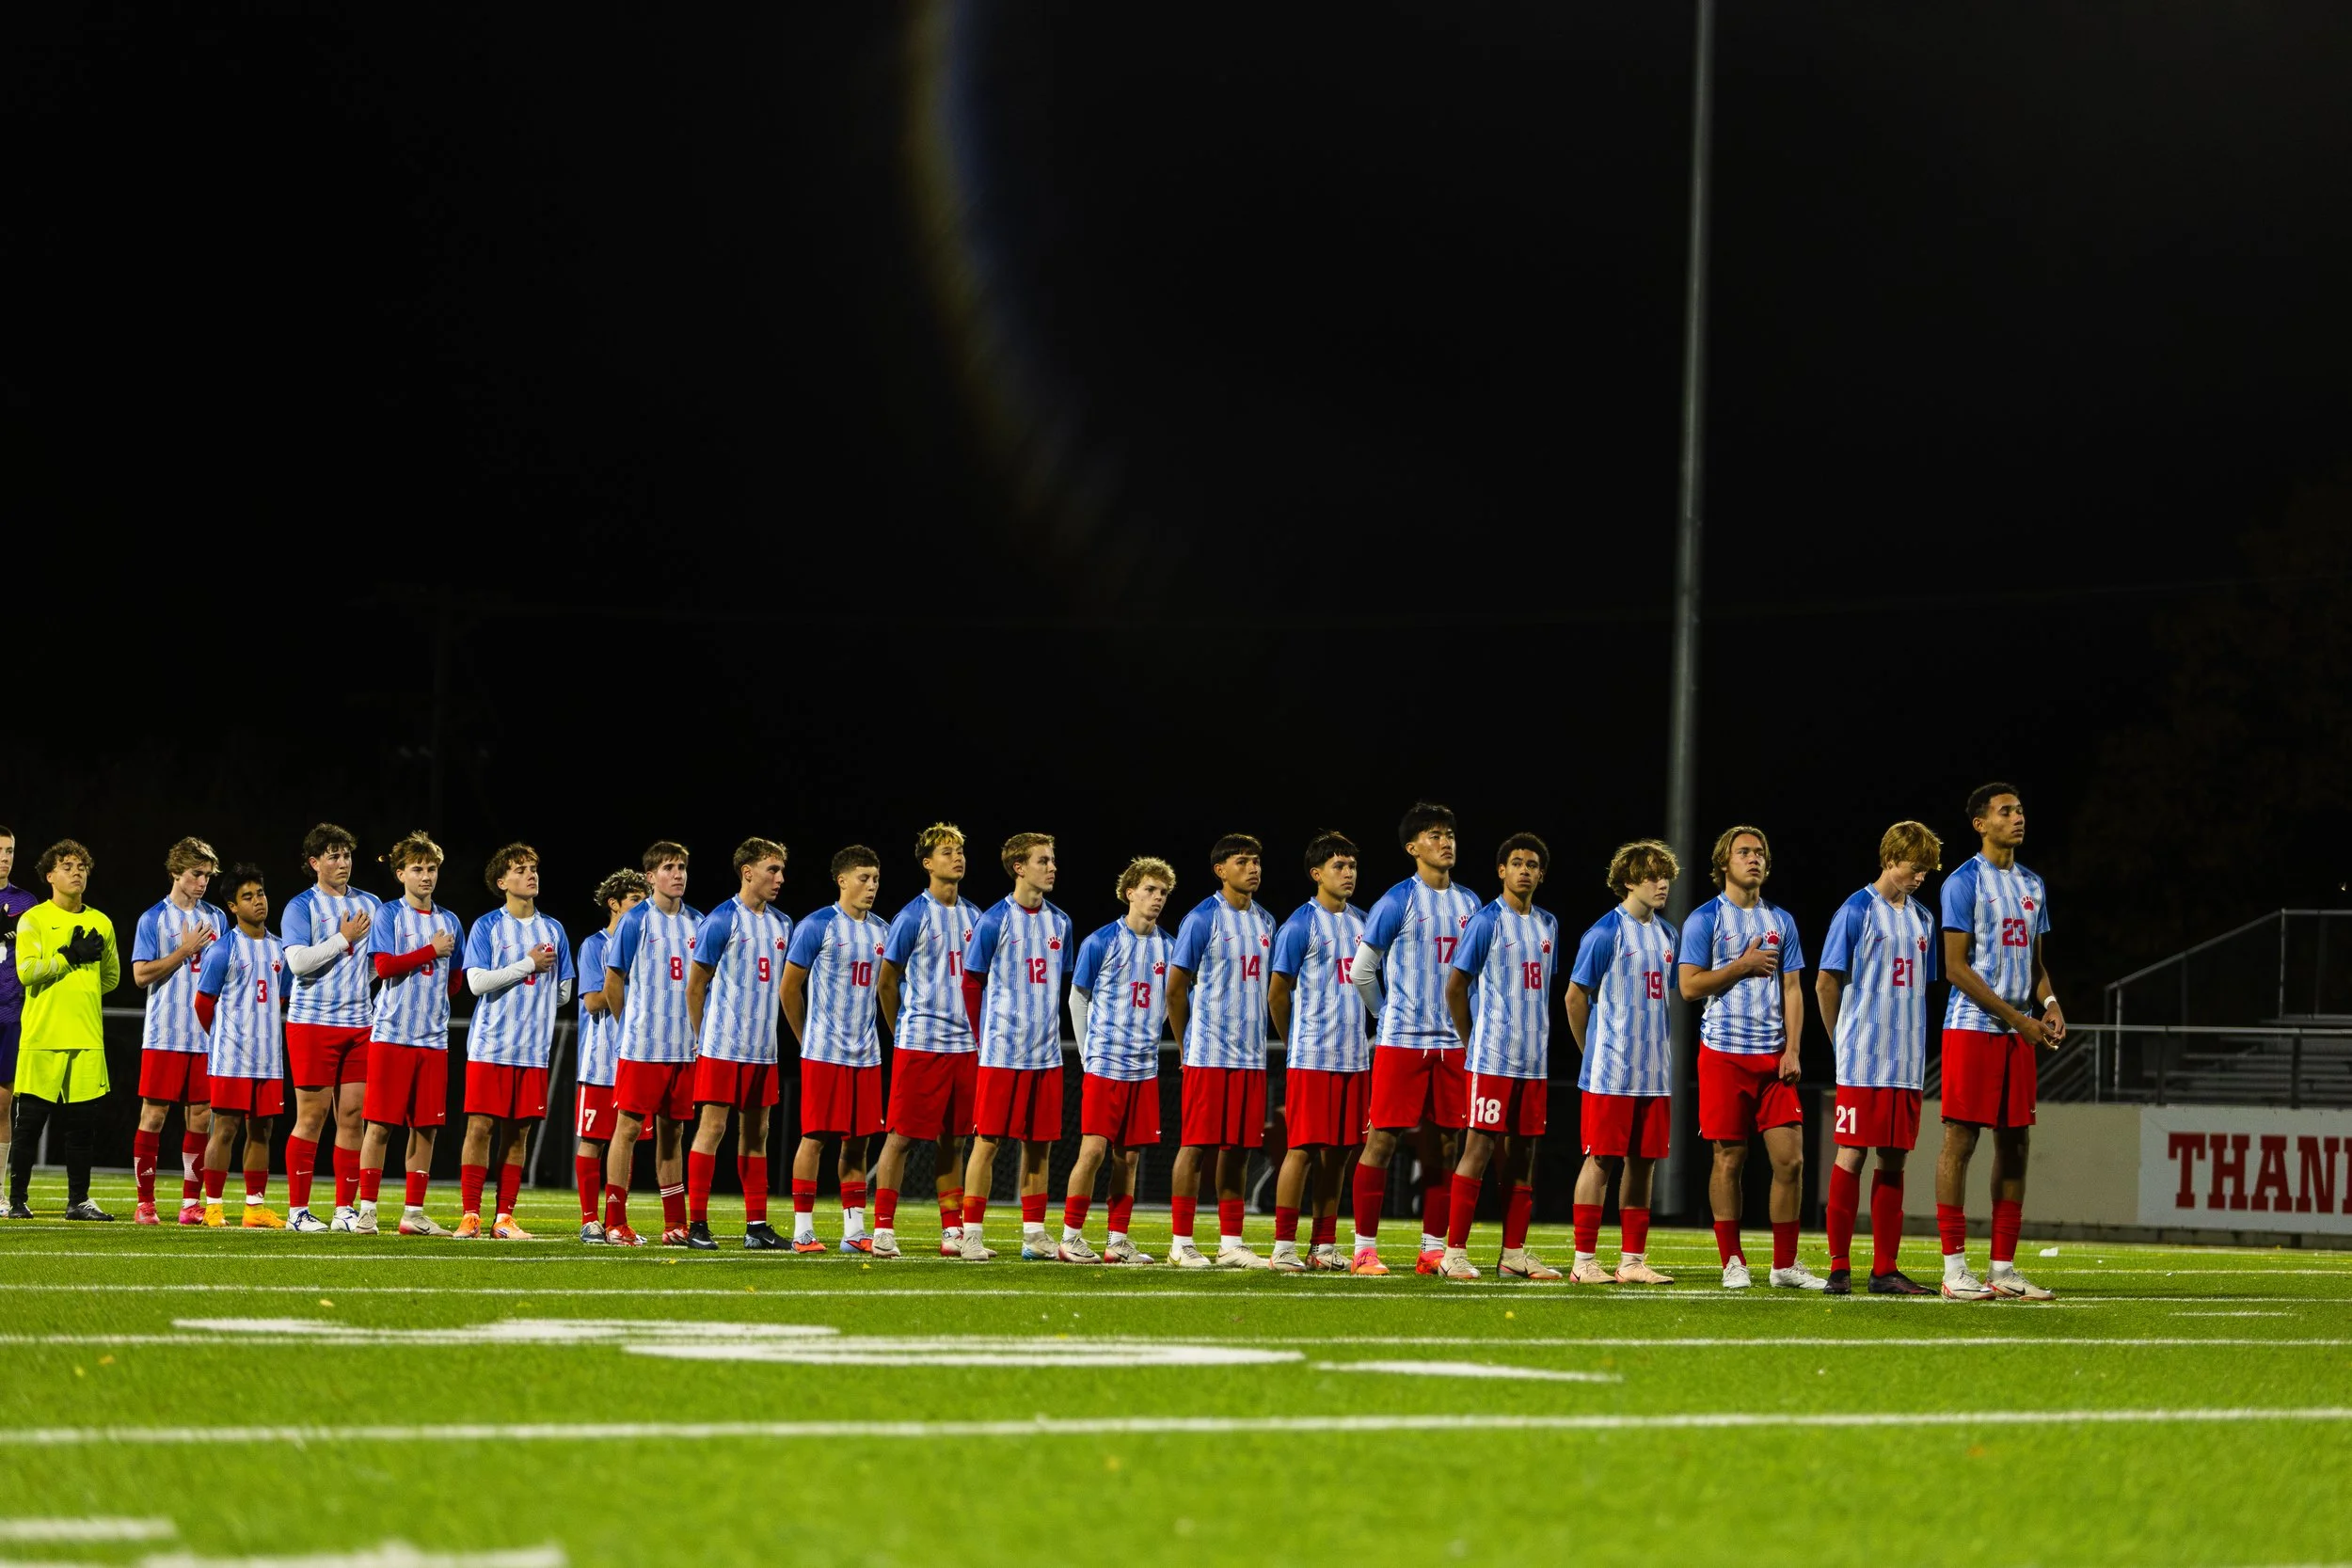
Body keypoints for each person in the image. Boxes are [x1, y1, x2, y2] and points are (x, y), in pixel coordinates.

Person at [1678, 826, 1822, 1290]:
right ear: (1724, 863)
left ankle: (1784, 1265)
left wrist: (1794, 1049)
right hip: (1723, 1054)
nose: (1754, 859)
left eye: (1760, 852)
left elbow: (1793, 988)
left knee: (1791, 1161)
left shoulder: (1782, 921)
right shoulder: (1705, 919)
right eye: (1744, 852)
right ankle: (1732, 1260)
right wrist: (1740, 965)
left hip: (1773, 1059)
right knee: (1729, 1159)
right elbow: (1688, 986)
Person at [1936, 784, 2063, 1302]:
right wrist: (2018, 1018)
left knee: (2015, 1143)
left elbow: (2035, 966)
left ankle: (2003, 1267)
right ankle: (1953, 1269)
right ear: (1980, 824)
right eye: (2005, 811)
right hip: (1972, 1027)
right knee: (1960, 1142)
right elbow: (1955, 968)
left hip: (2020, 1031)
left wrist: (2050, 1005)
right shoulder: (1963, 882)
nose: (2018, 817)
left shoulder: (2033, 883)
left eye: (2020, 809)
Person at [1348, 802, 1481, 1275]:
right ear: (1412, 848)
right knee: (1381, 1140)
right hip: (1402, 1041)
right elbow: (1362, 969)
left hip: (1453, 1043)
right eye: (1433, 836)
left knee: (1446, 1145)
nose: (1445, 843)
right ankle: (1363, 1249)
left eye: (1449, 834)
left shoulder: (1471, 903)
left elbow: (1478, 975)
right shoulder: (1396, 900)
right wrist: (1386, 1016)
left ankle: (1432, 1249)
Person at [1816, 820, 1945, 1296]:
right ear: (1890, 860)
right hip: (1863, 1059)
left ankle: (1885, 1269)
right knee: (1851, 1154)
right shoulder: (1855, 911)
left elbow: (1920, 989)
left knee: (1894, 1160)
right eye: (1915, 868)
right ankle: (1838, 1267)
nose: (1921, 877)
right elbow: (1826, 982)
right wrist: (1840, 1041)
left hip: (1906, 1061)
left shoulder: (1924, 918)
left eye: (1926, 871)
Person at [1435, 832, 1562, 1281]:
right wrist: (1472, 1041)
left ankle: (1513, 1254)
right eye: (1517, 862)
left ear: (1541, 874)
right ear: (1501, 871)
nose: (1525, 869)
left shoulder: (1549, 924)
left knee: (1524, 1155)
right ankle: (1453, 1253)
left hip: (1534, 1061)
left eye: (1532, 864)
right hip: (1491, 1059)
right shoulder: (1486, 921)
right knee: (1479, 1150)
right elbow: (1455, 987)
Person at [1565, 840, 1682, 1286]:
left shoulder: (1668, 935)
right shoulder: (1603, 933)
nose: (1662, 883)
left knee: (1644, 1162)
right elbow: (1575, 998)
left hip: (1654, 1071)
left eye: (1665, 875)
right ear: (1628, 881)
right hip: (1610, 1072)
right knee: (1601, 1160)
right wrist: (1590, 1053)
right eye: (1652, 875)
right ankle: (1583, 1260)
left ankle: (1632, 1261)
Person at [956, 832, 1072, 1262]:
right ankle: (971, 1233)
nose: (1052, 867)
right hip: (1002, 1052)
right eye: (1044, 860)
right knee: (988, 1142)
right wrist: (981, 1037)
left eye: (1053, 860)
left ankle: (1035, 1234)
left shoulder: (1062, 922)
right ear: (1019, 868)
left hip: (1046, 1053)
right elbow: (971, 982)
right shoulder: (993, 920)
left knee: (1039, 1144)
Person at [1162, 834, 1275, 1269]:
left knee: (1239, 1149)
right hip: (1209, 1054)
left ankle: (1231, 1242)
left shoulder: (1267, 921)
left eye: (1257, 861)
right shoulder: (1201, 918)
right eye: (1243, 861)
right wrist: (1188, 1042)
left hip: (1251, 1055)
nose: (1253, 868)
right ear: (1220, 870)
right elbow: (1175, 987)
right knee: (1196, 1146)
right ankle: (1181, 1242)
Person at [1057, 856, 1175, 1265]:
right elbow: (1078, 998)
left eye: (1163, 892)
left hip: (1143, 1069)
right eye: (1149, 890)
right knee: (1092, 1151)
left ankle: (1117, 1240)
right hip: (1105, 1065)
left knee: (1130, 1157)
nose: (1157, 898)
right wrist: (1089, 1053)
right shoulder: (1102, 941)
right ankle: (1071, 1236)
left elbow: (1170, 1002)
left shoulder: (1169, 947)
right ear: (1129, 893)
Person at [872, 823, 980, 1260]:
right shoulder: (912, 916)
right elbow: (886, 982)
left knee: (954, 1140)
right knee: (901, 1137)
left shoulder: (977, 916)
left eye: (960, 851)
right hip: (920, 1044)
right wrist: (902, 1033)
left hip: (965, 1047)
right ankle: (882, 1229)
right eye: (947, 852)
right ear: (927, 863)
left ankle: (952, 1230)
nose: (957, 858)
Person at [456, 843, 573, 1240]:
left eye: (533, 868)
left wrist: (537, 998)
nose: (531, 874)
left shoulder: (554, 929)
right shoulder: (488, 926)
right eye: (521, 869)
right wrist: (526, 966)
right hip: (491, 1044)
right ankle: (471, 1215)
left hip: (533, 1050)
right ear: (502, 882)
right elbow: (475, 983)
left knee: (519, 1133)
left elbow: (564, 992)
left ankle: (504, 1218)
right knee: (480, 1127)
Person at [355, 831, 467, 1237]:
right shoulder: (389, 915)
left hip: (433, 1039)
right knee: (380, 1125)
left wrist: (435, 983)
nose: (426, 876)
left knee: (426, 1127)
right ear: (400, 873)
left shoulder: (451, 920)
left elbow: (456, 981)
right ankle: (367, 1209)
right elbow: (382, 968)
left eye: (432, 868)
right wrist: (428, 952)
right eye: (417, 869)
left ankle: (413, 1213)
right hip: (391, 1034)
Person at [683, 839, 792, 1251]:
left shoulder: (784, 924)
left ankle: (757, 1227)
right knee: (712, 1128)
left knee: (758, 1133)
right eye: (772, 869)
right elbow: (696, 988)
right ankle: (698, 1225)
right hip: (722, 1047)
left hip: (763, 1049)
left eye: (781, 871)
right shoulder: (721, 920)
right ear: (747, 871)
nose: (779, 878)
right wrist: (702, 1039)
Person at [782, 845, 888, 1255]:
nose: (871, 886)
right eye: (863, 878)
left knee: (859, 1142)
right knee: (815, 1138)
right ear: (841, 880)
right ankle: (803, 1231)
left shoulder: (882, 929)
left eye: (876, 879)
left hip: (866, 1054)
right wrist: (805, 1037)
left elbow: (889, 987)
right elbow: (789, 988)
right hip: (824, 1053)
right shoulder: (818, 925)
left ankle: (854, 1231)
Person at [7, 839, 120, 1220]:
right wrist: (67, 957)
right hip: (43, 1037)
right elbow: (26, 972)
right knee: (29, 1125)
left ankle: (78, 1202)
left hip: (87, 1038)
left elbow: (111, 978)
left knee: (81, 1128)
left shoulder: (101, 922)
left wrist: (79, 989)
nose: (76, 872)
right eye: (67, 866)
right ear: (50, 875)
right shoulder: (34, 919)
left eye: (82, 867)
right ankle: (17, 1200)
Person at [279, 823, 384, 1232]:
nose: (343, 863)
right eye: (334, 856)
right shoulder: (300, 906)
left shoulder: (371, 903)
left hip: (359, 1024)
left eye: (347, 855)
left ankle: (344, 1208)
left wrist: (357, 983)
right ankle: (297, 1212)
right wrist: (342, 939)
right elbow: (298, 963)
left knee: (353, 1115)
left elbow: (377, 961)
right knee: (312, 1117)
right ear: (314, 862)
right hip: (312, 1024)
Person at [600, 842, 703, 1246]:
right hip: (643, 1047)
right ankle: (614, 1222)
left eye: (681, 867)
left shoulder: (699, 921)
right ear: (650, 876)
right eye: (667, 868)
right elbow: (613, 981)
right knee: (626, 1129)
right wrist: (630, 1027)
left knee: (673, 1133)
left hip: (684, 1047)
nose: (677, 874)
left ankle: (675, 1224)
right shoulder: (635, 920)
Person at [128, 837, 226, 1225]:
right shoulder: (153, 918)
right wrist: (183, 952)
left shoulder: (217, 918)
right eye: (195, 874)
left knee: (201, 1117)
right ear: (175, 873)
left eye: (207, 875)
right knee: (153, 1116)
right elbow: (139, 975)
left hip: (206, 1036)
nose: (202, 882)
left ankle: (190, 1204)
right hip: (164, 1033)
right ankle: (145, 1203)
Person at [192, 863, 288, 1228]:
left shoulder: (281, 948)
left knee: (262, 1130)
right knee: (226, 1129)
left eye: (260, 893)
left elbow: (281, 1000)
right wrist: (223, 1036)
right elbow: (203, 1004)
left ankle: (254, 1208)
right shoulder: (223, 950)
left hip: (268, 1059)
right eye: (247, 897)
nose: (257, 902)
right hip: (231, 1057)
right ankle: (214, 1206)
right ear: (233, 906)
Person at [572, 869, 647, 1241]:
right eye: (634, 899)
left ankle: (618, 1221)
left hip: (638, 1056)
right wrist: (624, 979)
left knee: (627, 1137)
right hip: (600, 1057)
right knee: (593, 1138)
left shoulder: (650, 942)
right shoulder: (594, 945)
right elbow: (591, 1001)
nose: (642, 906)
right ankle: (590, 1219)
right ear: (614, 904)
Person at [0, 828, 35, 1195]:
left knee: (2, 1105)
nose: (4, 858)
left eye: (9, 850)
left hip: (11, 1013)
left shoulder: (26, 902)